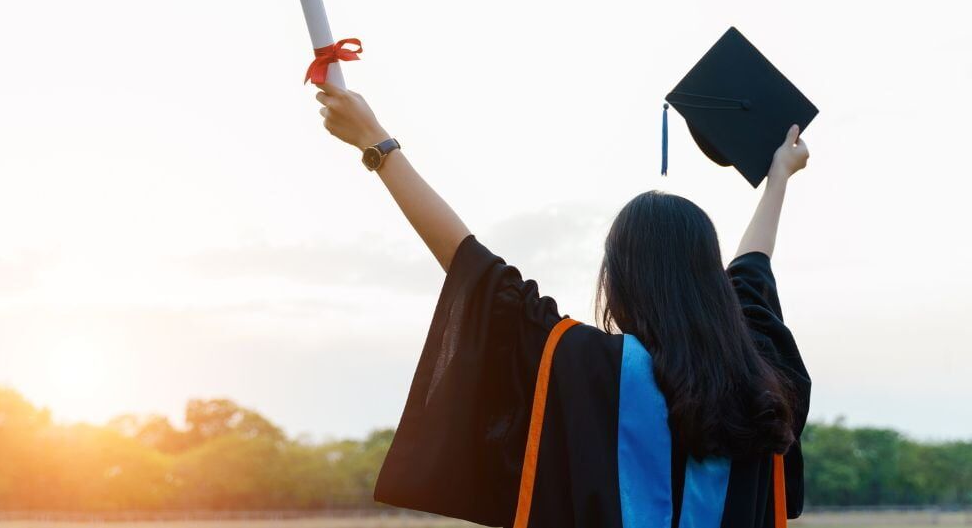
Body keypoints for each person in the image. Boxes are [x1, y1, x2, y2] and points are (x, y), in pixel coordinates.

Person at [313, 81, 812, 528]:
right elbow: (751, 276)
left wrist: (376, 143)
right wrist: (778, 179)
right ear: (711, 280)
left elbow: (474, 268)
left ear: (617, 280)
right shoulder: (761, 383)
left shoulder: (583, 365)